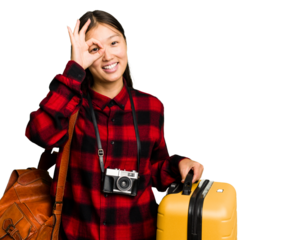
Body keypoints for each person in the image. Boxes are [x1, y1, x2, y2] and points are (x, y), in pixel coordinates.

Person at [24, 8, 205, 240]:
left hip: (136, 233)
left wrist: (181, 164)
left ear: (126, 45)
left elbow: (154, 170)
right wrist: (74, 68)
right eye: (94, 49)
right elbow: (38, 134)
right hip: (77, 233)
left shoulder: (151, 106)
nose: (107, 56)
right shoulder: (70, 105)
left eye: (113, 43)